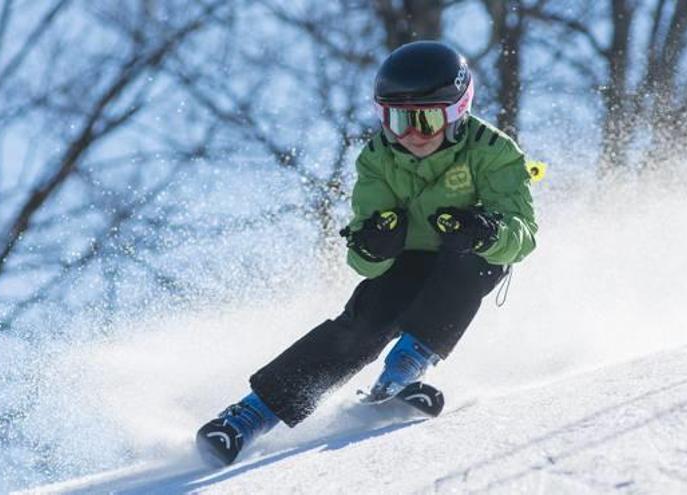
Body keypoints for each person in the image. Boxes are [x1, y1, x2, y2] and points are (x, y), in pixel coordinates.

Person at [196, 40, 538, 467]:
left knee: (471, 263)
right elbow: (363, 261)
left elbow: (523, 236)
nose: (411, 135)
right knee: (365, 321)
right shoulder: (378, 158)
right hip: (408, 260)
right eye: (396, 120)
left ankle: (404, 370)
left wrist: (486, 232)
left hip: (468, 256)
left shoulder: (494, 151)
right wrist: (373, 245)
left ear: (456, 113)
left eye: (426, 120)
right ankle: (249, 416)